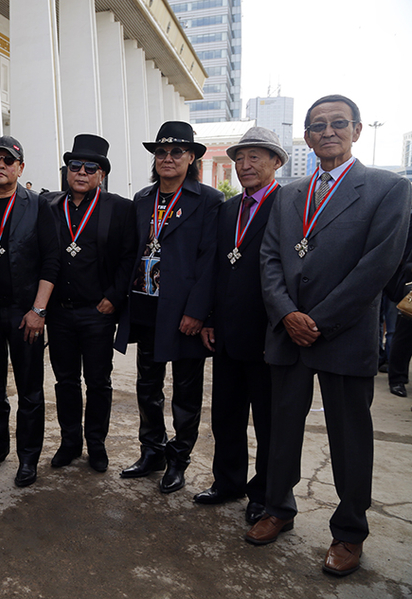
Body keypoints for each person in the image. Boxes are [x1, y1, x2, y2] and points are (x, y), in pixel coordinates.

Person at [251, 95, 411, 577]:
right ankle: (278, 508)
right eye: (317, 125)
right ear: (306, 137)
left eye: (338, 123)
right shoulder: (289, 194)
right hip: (289, 333)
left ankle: (349, 532)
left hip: (343, 335)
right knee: (281, 429)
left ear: (357, 130)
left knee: (350, 438)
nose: (327, 132)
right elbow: (270, 258)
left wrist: (317, 320)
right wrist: (287, 313)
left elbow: (378, 265)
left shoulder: (387, 188)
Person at [119, 121, 221, 494]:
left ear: (191, 157)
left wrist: (198, 312)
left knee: (186, 393)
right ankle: (152, 451)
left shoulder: (208, 200)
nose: (167, 158)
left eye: (177, 151)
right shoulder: (143, 199)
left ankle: (179, 459)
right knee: (148, 386)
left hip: (183, 313)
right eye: (161, 152)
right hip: (146, 306)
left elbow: (210, 261)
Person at [194, 127, 286, 524]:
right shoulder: (228, 208)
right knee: (226, 415)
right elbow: (217, 268)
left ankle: (264, 494)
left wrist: (279, 328)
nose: (245, 165)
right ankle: (227, 482)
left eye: (255, 157)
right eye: (240, 158)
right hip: (227, 334)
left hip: (268, 336)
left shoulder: (287, 205)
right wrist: (210, 319)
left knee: (268, 422)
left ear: (276, 162)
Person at [0, 136, 60, 487]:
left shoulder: (37, 206)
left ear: (20, 168)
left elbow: (51, 261)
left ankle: (28, 458)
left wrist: (39, 309)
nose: (1, 165)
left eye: (8, 160)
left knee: (29, 391)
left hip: (25, 314)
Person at [46, 134, 137, 473]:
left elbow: (129, 257)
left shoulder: (120, 208)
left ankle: (96, 444)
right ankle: (70, 442)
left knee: (98, 382)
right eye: (75, 166)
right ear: (67, 170)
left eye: (90, 167)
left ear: (101, 174)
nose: (81, 172)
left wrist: (113, 297)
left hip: (98, 312)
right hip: (60, 312)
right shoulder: (51, 207)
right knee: (65, 381)